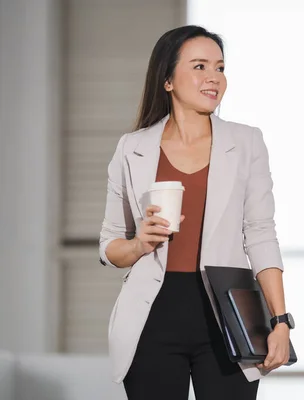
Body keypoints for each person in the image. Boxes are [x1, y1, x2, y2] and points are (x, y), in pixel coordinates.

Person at [98, 25, 294, 400]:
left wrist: (281, 321)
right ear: (168, 80)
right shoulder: (132, 148)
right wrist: (140, 243)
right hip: (152, 318)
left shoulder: (247, 141)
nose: (214, 78)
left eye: (220, 68)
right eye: (200, 66)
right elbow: (109, 246)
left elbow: (260, 233)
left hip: (230, 314)